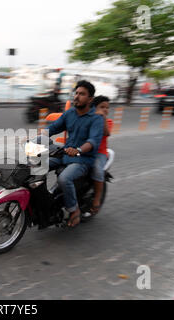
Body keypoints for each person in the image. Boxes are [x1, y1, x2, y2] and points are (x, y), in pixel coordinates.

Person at [45, 80, 104, 228]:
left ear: (90, 99)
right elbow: (52, 129)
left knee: (64, 179)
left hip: (82, 159)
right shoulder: (70, 113)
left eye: (82, 94)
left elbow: (92, 141)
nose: (77, 96)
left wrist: (78, 150)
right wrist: (33, 139)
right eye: (76, 93)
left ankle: (74, 210)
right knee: (34, 165)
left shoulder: (96, 118)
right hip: (64, 155)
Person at [90, 95, 113, 215]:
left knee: (97, 170)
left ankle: (97, 199)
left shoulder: (108, 121)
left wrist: (103, 118)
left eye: (107, 107)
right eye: (102, 107)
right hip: (86, 151)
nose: (105, 109)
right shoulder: (89, 119)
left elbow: (106, 132)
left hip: (100, 153)